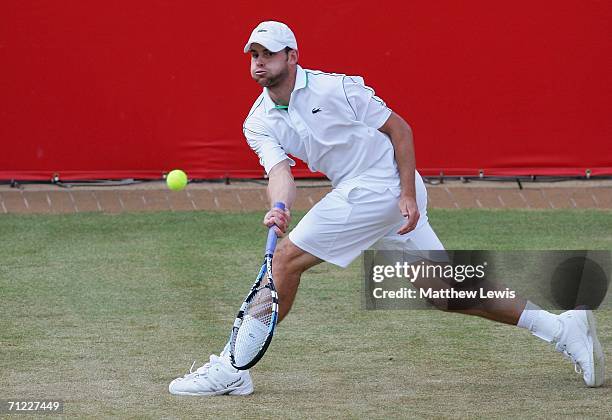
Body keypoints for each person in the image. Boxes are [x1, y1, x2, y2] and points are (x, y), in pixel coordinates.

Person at [168, 21, 605, 395]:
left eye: (268, 54)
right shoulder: (258, 120)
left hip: (381, 188)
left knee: (284, 261)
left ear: (292, 56)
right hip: (365, 193)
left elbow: (400, 130)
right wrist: (279, 206)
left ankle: (232, 369)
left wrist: (408, 195)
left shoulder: (336, 88)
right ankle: (561, 329)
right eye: (252, 55)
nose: (259, 62)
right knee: (444, 292)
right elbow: (279, 172)